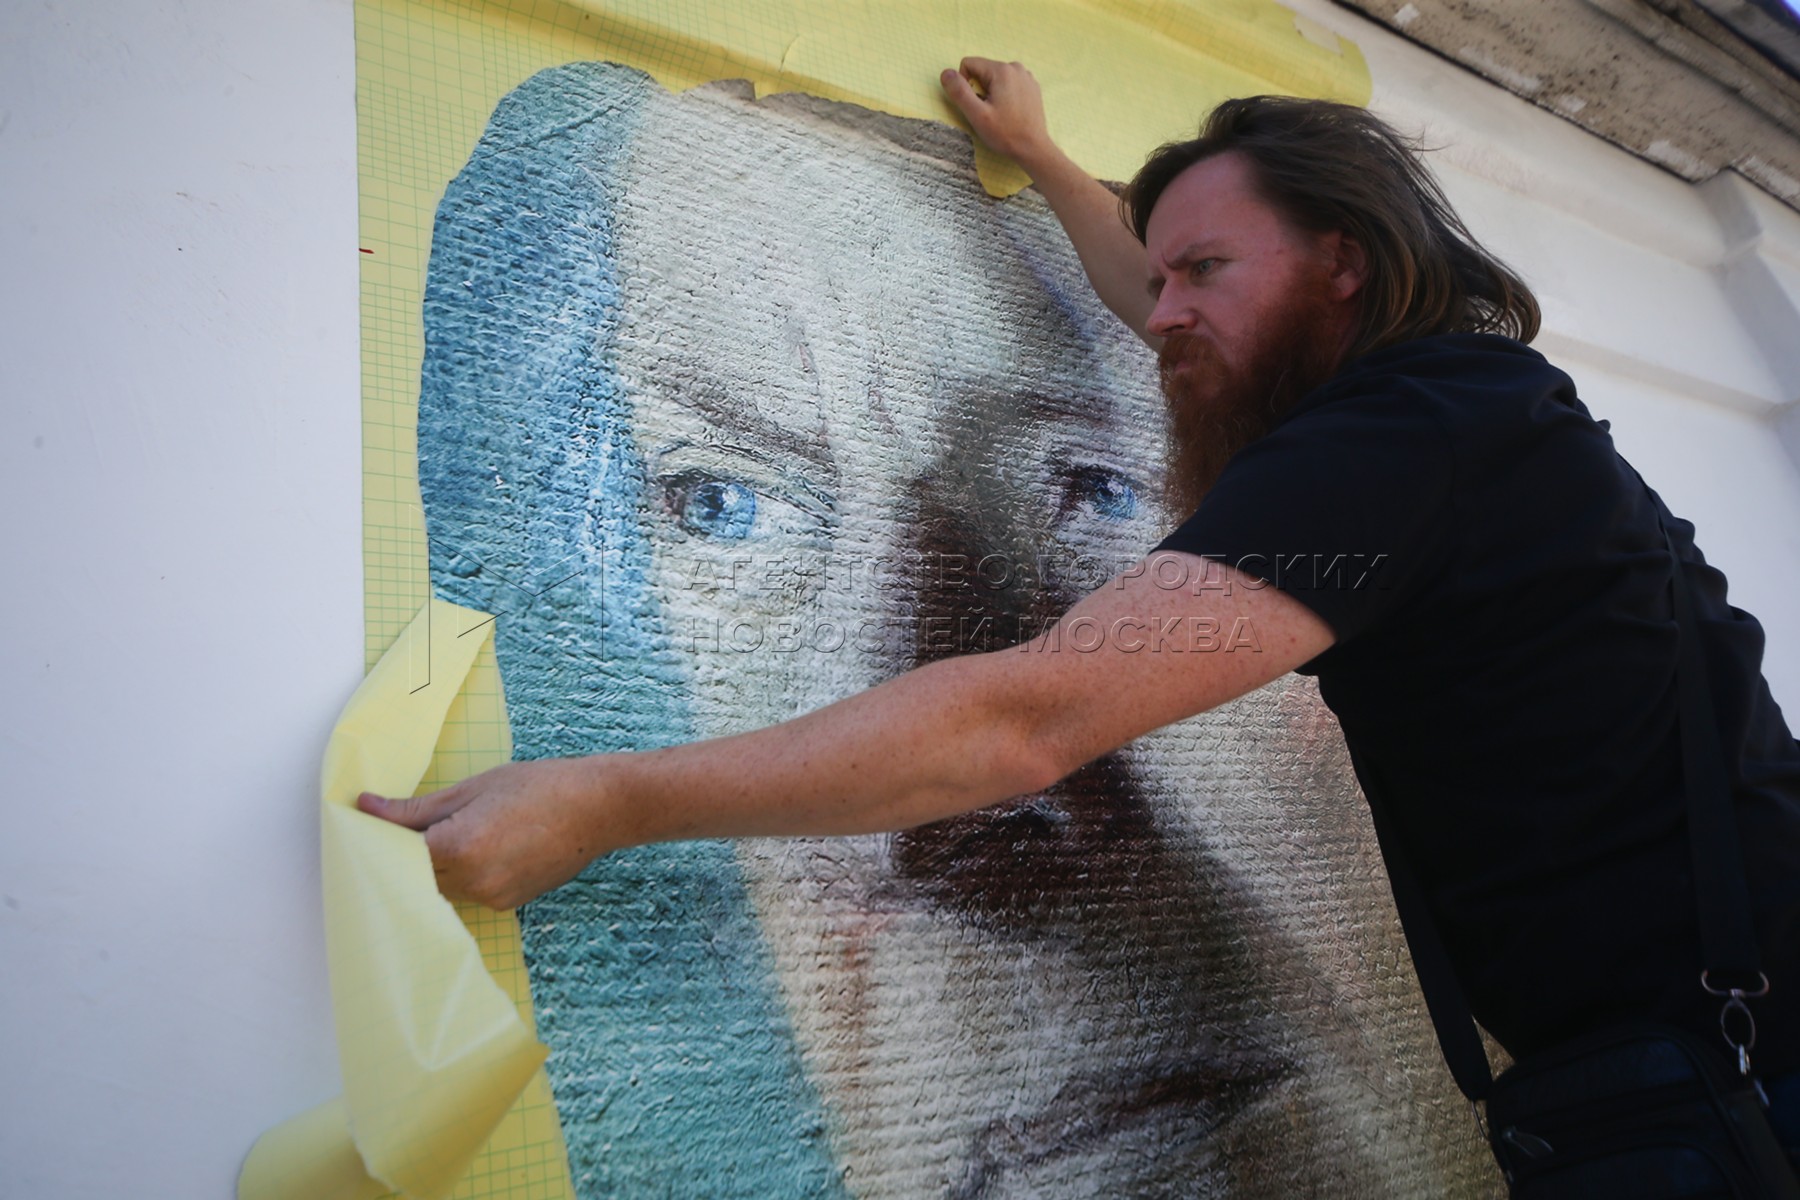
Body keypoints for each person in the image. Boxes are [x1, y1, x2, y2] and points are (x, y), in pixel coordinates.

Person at [380, 54, 1800, 1186]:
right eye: (724, 503)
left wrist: (610, 800)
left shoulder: (1402, 440)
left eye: (1206, 270)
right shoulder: (1465, 409)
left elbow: (1028, 722)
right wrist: (1054, 165)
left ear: (1345, 262)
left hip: (1734, 1070)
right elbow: (1175, 320)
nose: (1166, 312)